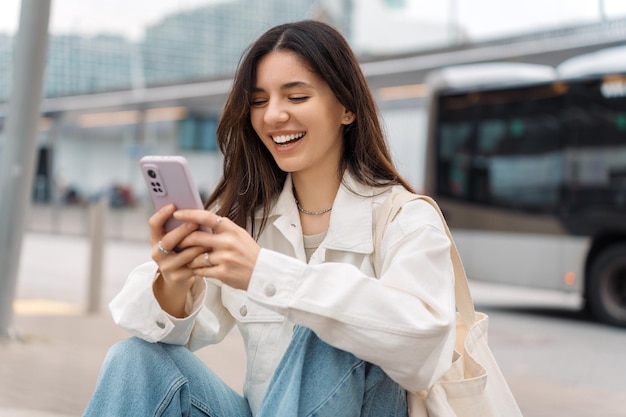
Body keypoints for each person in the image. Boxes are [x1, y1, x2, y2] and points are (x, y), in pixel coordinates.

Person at [84, 20, 456, 417]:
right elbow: (159, 330)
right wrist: (175, 281)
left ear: (346, 108)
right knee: (134, 360)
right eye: (259, 101)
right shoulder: (247, 219)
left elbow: (425, 348)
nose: (273, 115)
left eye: (296, 96)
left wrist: (266, 274)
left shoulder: (405, 218)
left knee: (331, 325)